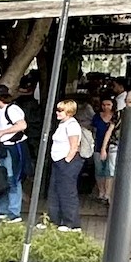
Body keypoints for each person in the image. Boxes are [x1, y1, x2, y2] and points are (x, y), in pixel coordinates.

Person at [47, 98, 90, 231]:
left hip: (67, 162)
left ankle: (71, 223)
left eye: (61, 110)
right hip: (58, 160)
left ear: (69, 112)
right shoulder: (62, 124)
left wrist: (67, 160)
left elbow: (74, 146)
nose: (57, 112)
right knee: (55, 191)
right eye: (57, 110)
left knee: (67, 192)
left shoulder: (72, 125)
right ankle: (54, 220)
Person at [0, 86, 27, 220]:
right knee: (3, 178)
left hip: (13, 147)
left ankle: (14, 212)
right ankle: (2, 209)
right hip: (3, 147)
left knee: (12, 179)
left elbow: (22, 125)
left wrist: (3, 132)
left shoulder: (13, 110)